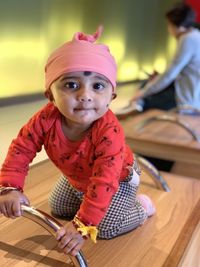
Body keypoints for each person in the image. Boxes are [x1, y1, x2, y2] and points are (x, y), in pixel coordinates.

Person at [0, 26, 155, 256]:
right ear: (50, 94)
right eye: (71, 85)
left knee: (105, 227)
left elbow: (104, 181)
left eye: (98, 86)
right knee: (58, 207)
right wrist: (10, 188)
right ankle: (84, 200)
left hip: (118, 180)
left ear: (111, 97)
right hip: (77, 177)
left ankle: (141, 208)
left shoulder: (109, 131)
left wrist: (82, 225)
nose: (85, 95)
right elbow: (21, 148)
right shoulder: (45, 118)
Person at [131, 2, 200, 111]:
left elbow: (170, 74)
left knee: (146, 94)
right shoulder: (194, 35)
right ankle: (137, 104)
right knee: (148, 83)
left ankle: (137, 105)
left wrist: (142, 93)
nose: (168, 28)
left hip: (186, 100)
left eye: (169, 24)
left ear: (177, 25)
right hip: (185, 91)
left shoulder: (188, 39)